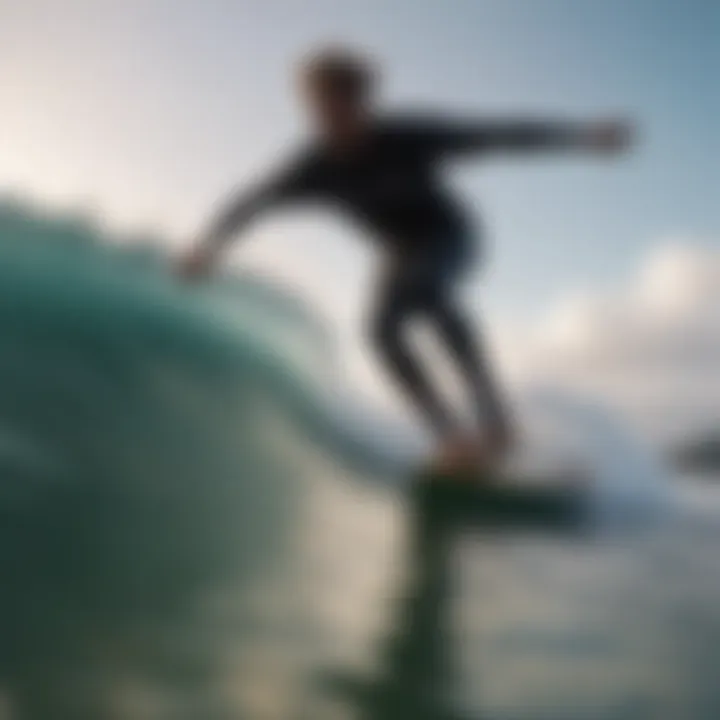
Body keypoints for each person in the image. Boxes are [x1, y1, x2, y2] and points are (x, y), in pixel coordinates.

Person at [177, 47, 632, 472]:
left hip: (451, 235)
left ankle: (495, 422)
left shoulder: (408, 137)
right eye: (322, 110)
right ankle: (452, 439)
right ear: (312, 109)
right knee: (378, 331)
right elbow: (251, 201)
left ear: (364, 102)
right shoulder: (311, 166)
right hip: (398, 252)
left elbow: (498, 135)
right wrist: (208, 248)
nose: (334, 121)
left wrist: (581, 137)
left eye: (344, 108)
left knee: (427, 289)